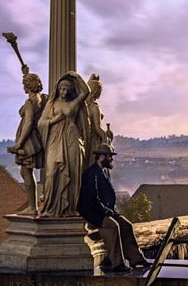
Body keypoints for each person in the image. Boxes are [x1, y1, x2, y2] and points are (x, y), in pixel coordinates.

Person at [78, 145, 154, 273]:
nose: (111, 159)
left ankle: (136, 259)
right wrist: (105, 210)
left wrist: (111, 210)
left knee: (126, 225)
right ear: (101, 157)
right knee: (113, 227)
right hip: (93, 213)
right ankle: (117, 263)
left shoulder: (103, 171)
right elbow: (92, 197)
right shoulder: (91, 173)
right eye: (109, 156)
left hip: (104, 210)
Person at [37, 71, 90, 217]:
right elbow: (41, 123)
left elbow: (86, 92)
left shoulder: (73, 103)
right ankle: (49, 207)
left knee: (71, 173)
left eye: (67, 89)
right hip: (54, 139)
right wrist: (53, 121)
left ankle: (68, 208)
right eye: (62, 88)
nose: (64, 92)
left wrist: (76, 77)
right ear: (58, 88)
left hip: (71, 138)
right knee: (51, 173)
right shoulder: (51, 104)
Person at [7, 69, 47, 213]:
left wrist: (19, 144)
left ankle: (32, 207)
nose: (22, 86)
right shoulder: (42, 98)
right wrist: (26, 73)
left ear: (27, 86)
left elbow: (28, 122)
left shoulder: (29, 102)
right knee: (31, 171)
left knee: (25, 171)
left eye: (24, 84)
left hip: (29, 140)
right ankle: (36, 205)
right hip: (38, 138)